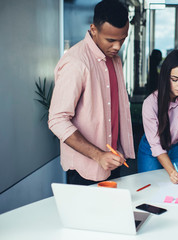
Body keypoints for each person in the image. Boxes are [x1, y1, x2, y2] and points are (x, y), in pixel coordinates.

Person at [48, 0, 135, 185]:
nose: (118, 47)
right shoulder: (76, 62)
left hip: (113, 160)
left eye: (123, 39)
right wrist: (98, 156)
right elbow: (57, 120)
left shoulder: (114, 59)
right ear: (93, 30)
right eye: (111, 40)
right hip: (86, 169)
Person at [137, 49, 178, 184]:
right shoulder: (150, 103)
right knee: (150, 187)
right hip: (151, 149)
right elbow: (156, 145)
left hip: (177, 146)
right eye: (174, 79)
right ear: (165, 76)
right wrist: (172, 172)